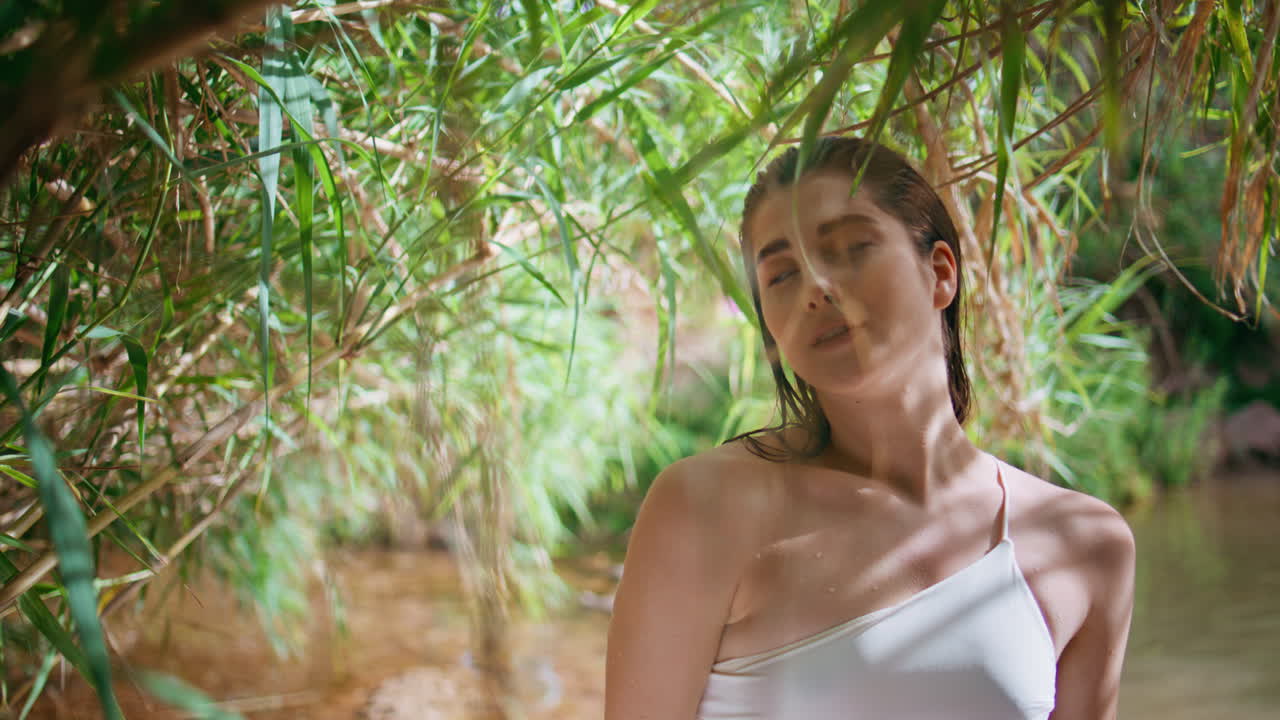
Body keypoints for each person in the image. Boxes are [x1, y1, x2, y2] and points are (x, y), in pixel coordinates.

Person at [604, 136, 1136, 720]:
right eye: (781, 275)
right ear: (772, 338)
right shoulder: (705, 509)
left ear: (940, 273)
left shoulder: (1082, 544)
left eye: (852, 247)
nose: (817, 288)